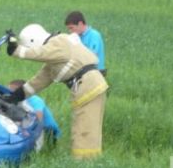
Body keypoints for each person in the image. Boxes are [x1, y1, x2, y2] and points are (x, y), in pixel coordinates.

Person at [6, 24, 108, 159]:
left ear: (33, 41)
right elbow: (39, 81)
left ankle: (85, 166)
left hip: (88, 86)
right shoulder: (56, 57)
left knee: (84, 131)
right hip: (91, 85)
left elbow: (40, 53)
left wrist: (16, 50)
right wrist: (17, 95)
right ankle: (90, 162)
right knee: (86, 128)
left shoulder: (59, 42)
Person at [8, 79, 61, 145]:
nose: (9, 93)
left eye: (12, 90)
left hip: (48, 129)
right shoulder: (20, 101)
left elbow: (39, 119)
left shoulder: (35, 100)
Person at [65, 11, 106, 76]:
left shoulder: (94, 35)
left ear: (80, 23)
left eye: (71, 28)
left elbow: (91, 55)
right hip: (82, 72)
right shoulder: (76, 37)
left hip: (96, 72)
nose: (70, 32)